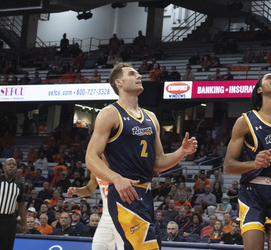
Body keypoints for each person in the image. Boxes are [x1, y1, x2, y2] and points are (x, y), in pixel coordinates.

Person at [85, 62, 198, 250]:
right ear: (118, 82)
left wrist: (181, 152)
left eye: (138, 74)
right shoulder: (110, 113)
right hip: (124, 193)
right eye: (132, 74)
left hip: (146, 194)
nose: (139, 76)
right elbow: (90, 158)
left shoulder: (151, 117)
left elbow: (158, 162)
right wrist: (116, 178)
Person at [223, 73, 271, 250]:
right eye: (269, 78)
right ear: (259, 89)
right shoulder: (244, 121)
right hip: (252, 192)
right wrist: (254, 164)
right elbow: (228, 166)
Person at [67, 162, 121, 250]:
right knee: (97, 247)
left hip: (124, 217)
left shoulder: (122, 164)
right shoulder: (96, 168)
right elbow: (89, 189)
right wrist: (76, 191)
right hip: (106, 218)